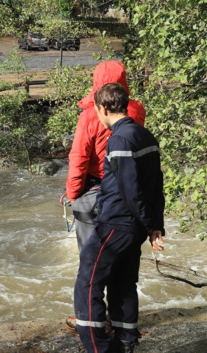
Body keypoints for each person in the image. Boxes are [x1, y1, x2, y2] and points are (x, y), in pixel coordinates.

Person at [61, 82, 165, 353]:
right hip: (134, 228)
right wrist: (155, 225)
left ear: (103, 109)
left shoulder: (119, 140)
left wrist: (144, 223)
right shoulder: (145, 135)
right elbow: (155, 186)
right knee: (123, 286)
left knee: (87, 284)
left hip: (116, 223)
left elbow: (129, 188)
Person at [62, 60, 147, 330]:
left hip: (93, 191)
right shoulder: (136, 111)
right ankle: (119, 322)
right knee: (122, 265)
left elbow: (78, 157)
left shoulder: (90, 115)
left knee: (91, 261)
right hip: (126, 191)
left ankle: (91, 321)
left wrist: (72, 193)